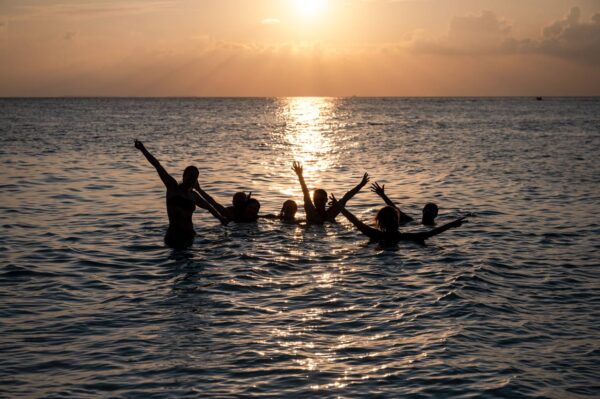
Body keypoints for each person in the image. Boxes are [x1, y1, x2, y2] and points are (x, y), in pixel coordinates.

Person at [134, 140, 227, 248]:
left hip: (190, 235)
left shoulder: (193, 196)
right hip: (174, 235)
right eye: (190, 176)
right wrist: (143, 149)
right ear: (183, 176)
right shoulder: (172, 187)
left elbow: (209, 208)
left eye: (195, 177)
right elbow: (157, 165)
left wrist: (221, 218)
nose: (192, 179)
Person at [329, 194, 467, 245]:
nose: (394, 221)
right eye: (392, 218)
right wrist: (452, 224)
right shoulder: (406, 238)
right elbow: (433, 232)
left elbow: (355, 221)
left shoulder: (375, 234)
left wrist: (340, 207)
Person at [292, 161, 370, 225]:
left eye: (321, 199)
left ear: (326, 200)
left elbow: (347, 196)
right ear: (313, 200)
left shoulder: (331, 213)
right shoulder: (311, 211)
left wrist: (361, 185)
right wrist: (300, 176)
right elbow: (305, 191)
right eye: (316, 199)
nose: (319, 201)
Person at [370, 182, 439, 225]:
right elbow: (395, 209)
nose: (427, 212)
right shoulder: (410, 221)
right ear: (422, 211)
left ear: (435, 214)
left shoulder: (412, 222)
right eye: (426, 210)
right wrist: (383, 195)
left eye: (430, 211)